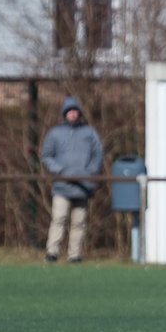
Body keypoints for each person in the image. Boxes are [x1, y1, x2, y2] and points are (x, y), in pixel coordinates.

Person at [42, 95, 104, 263]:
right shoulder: (54, 133)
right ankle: (52, 252)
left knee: (79, 223)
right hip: (62, 186)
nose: (73, 114)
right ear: (64, 114)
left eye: (75, 111)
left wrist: (89, 172)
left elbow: (98, 154)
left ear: (80, 113)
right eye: (69, 111)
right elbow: (46, 156)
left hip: (83, 186)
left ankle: (74, 255)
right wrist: (60, 171)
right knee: (59, 219)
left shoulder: (90, 132)